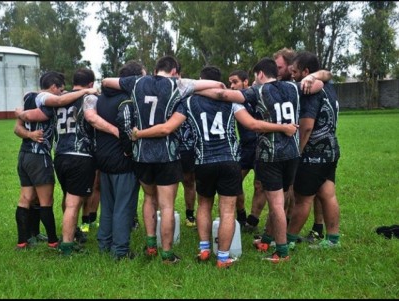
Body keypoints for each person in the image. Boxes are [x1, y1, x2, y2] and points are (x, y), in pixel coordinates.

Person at [132, 65, 298, 268]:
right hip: (229, 160)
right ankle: (222, 257)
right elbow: (250, 123)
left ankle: (204, 249)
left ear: (201, 81)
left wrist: (139, 133)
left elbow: (170, 127)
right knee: (227, 211)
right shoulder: (232, 101)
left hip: (203, 161)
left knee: (204, 205)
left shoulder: (189, 101)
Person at [195, 58, 324, 263]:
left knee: (276, 205)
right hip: (292, 152)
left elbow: (223, 94)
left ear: (261, 74)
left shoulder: (258, 91)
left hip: (270, 154)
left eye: (255, 76)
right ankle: (266, 239)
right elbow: (320, 83)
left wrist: (194, 88)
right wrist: (315, 76)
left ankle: (281, 252)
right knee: (281, 200)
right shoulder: (295, 86)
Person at [101, 55, 226, 264]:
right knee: (167, 206)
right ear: (175, 71)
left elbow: (106, 81)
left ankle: (151, 246)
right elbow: (218, 84)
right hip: (167, 155)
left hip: (141, 155)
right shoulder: (179, 84)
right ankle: (167, 254)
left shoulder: (136, 82)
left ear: (155, 69)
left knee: (149, 199)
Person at [17, 68, 116, 256]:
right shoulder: (88, 97)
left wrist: (21, 114)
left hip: (60, 155)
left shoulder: (59, 99)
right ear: (90, 84)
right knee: (73, 203)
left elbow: (39, 114)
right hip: (80, 156)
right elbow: (92, 119)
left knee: (67, 197)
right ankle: (67, 246)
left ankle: (68, 233)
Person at [84, 60, 146, 260]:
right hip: (121, 160)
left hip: (103, 159)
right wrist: (129, 151)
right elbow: (125, 126)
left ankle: (104, 244)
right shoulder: (126, 100)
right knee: (124, 206)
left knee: (108, 205)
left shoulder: (101, 99)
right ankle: (120, 251)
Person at [286, 51, 341, 250]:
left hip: (313, 154)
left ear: (306, 72)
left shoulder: (310, 90)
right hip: (331, 149)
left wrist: (297, 152)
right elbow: (328, 74)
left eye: (294, 71)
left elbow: (307, 126)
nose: (292, 75)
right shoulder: (329, 87)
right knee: (328, 194)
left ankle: (288, 240)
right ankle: (333, 239)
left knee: (303, 199)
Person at [228, 70, 266, 234]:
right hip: (243, 148)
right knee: (233, 182)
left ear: (246, 82)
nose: (232, 86)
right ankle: (241, 216)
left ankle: (253, 220)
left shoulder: (258, 95)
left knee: (260, 185)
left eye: (235, 82)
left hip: (260, 146)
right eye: (230, 83)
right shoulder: (234, 101)